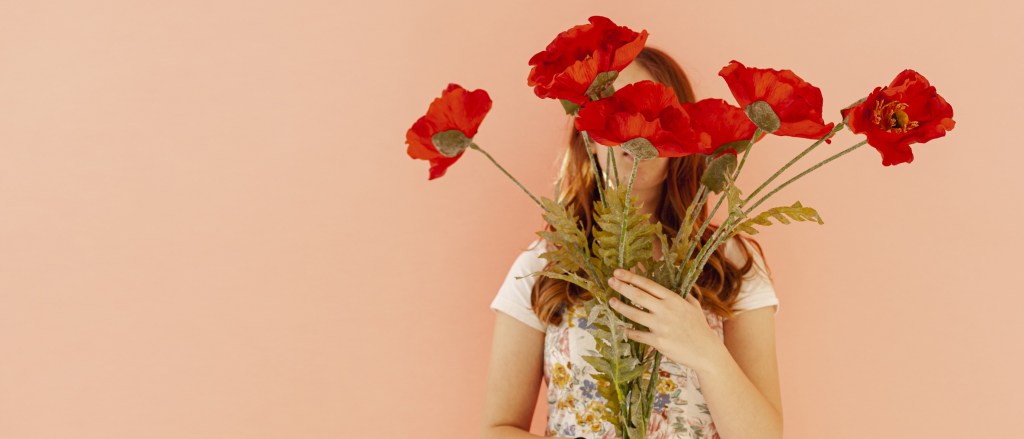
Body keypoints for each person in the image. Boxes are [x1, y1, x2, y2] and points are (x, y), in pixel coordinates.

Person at [478, 46, 784, 439]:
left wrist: (705, 351)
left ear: (685, 136)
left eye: (655, 115)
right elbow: (497, 430)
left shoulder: (730, 260)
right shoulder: (543, 264)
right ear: (587, 133)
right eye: (617, 109)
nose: (634, 127)